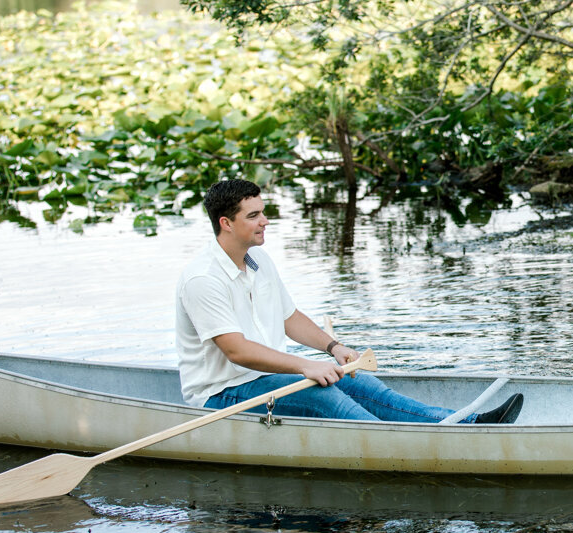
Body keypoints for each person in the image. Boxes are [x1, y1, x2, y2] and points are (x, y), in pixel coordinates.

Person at [176, 179, 523, 424]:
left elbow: (289, 317)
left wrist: (332, 347)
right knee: (323, 396)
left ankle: (469, 424)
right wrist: (304, 366)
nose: (265, 221)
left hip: (266, 378)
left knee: (360, 382)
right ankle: (413, 444)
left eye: (263, 212)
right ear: (226, 223)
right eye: (253, 216)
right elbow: (237, 351)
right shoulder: (202, 278)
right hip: (222, 395)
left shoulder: (259, 259)